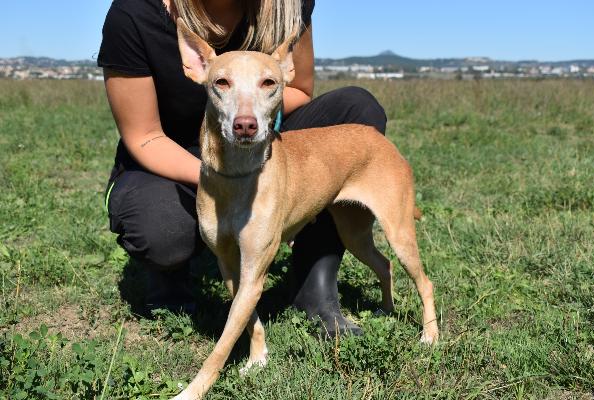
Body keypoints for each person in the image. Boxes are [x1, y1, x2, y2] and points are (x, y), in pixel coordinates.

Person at [98, 0, 387, 337]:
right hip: (169, 155)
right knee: (163, 228)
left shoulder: (288, 6)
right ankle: (172, 280)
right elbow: (144, 136)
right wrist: (223, 180)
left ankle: (314, 282)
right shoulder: (135, 14)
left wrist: (257, 122)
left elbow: (298, 91)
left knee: (356, 109)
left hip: (256, 139)